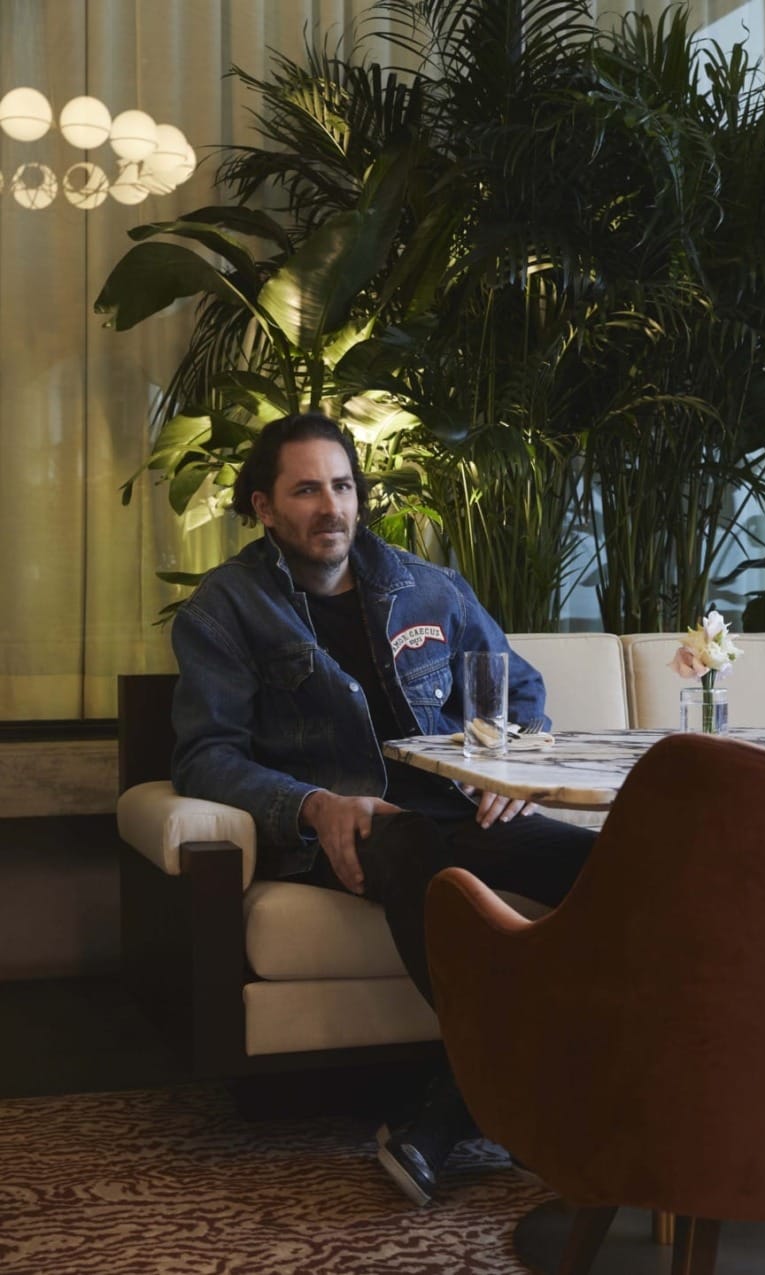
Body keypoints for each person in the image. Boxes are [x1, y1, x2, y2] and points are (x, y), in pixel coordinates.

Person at [170, 411, 597, 1205]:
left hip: (462, 813)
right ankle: (500, 1102)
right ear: (264, 507)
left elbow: (522, 691)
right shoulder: (225, 611)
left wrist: (500, 764)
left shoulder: (428, 585)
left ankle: (458, 1106)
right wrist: (310, 804)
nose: (330, 506)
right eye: (305, 490)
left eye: (341, 485)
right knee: (404, 845)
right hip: (352, 828)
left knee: (611, 863)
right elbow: (205, 755)